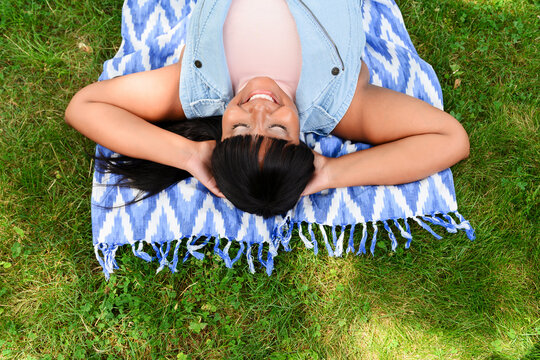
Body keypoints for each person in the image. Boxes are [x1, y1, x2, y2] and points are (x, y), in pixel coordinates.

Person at [65, 0, 469, 218]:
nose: (259, 110)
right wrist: (331, 173)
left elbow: (85, 106)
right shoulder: (338, 105)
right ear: (302, 143)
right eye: (278, 131)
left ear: (219, 139)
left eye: (240, 130)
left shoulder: (197, 90)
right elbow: (449, 139)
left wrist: (188, 154)